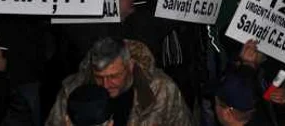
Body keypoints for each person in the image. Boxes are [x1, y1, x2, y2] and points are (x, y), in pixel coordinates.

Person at [46, 38, 192, 126]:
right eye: (99, 77)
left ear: (130, 65)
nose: (105, 85)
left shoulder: (162, 89)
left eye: (114, 76)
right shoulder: (72, 92)